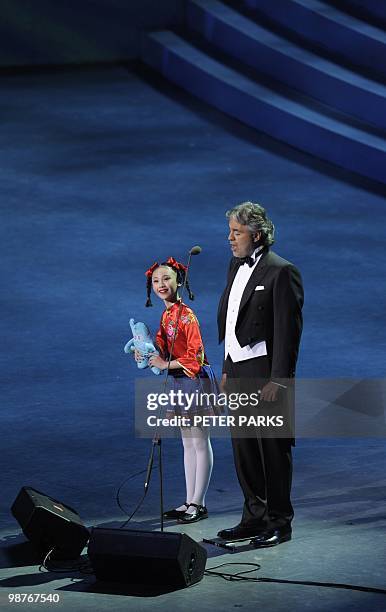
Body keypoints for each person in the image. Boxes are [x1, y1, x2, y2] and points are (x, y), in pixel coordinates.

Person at [217, 201, 304, 546]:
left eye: (236, 232)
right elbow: (231, 317)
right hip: (238, 370)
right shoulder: (234, 265)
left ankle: (279, 522)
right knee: (244, 449)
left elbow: (288, 330)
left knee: (272, 449)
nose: (230, 238)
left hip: (266, 373)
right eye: (230, 232)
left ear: (256, 234)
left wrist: (280, 380)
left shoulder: (282, 271)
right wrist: (226, 368)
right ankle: (254, 517)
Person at [140, 256, 218, 524]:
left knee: (198, 441)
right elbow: (162, 349)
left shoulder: (187, 316)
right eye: (156, 280)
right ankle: (190, 501)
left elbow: (195, 358)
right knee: (188, 444)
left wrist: (164, 363)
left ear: (179, 282)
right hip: (179, 381)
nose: (161, 284)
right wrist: (146, 351)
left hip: (194, 382)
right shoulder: (167, 315)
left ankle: (199, 503)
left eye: (166, 278)